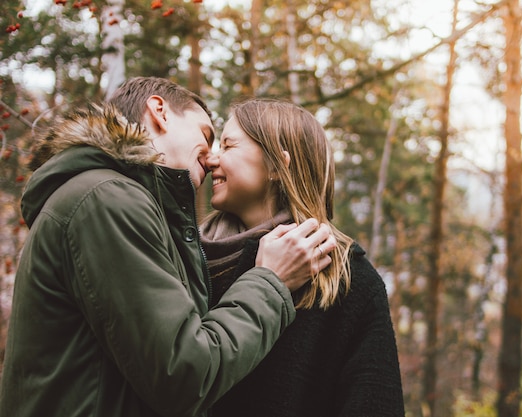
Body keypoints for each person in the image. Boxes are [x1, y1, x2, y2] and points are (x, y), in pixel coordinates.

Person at [0, 77, 336, 417]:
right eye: (206, 136)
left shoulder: (108, 199)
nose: (211, 158)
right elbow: (184, 374)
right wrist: (269, 280)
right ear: (159, 111)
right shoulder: (108, 199)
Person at [200, 97, 405, 416]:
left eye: (228, 146)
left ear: (276, 166)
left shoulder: (348, 279)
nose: (211, 159)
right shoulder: (187, 256)